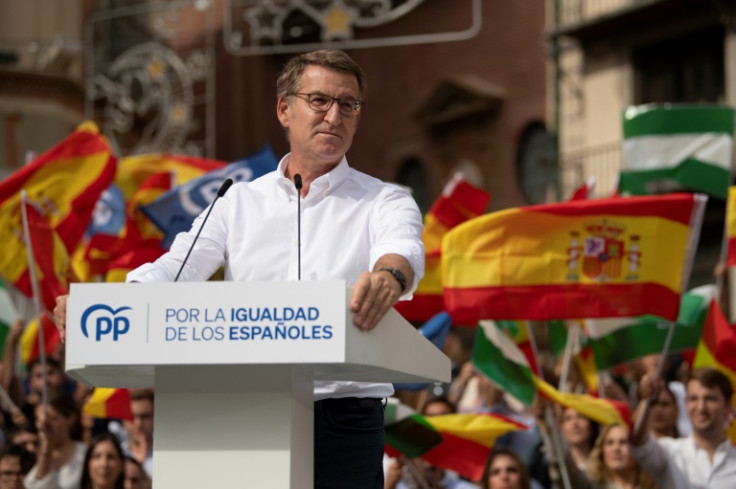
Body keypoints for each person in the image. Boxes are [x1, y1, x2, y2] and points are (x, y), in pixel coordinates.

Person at [54, 48, 424, 489]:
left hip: (343, 419)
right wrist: (102, 306)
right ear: (285, 109)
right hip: (247, 414)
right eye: (320, 101)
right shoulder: (236, 201)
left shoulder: (384, 199)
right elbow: (176, 270)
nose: (334, 115)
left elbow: (400, 247)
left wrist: (388, 277)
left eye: (348, 105)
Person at [631, 367, 736, 488]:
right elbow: (637, 439)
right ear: (685, 402)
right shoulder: (669, 452)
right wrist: (647, 399)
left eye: (710, 399)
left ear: (728, 404)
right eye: (693, 399)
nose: (701, 407)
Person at [24, 393, 86, 489]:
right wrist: (46, 450)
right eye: (38, 419)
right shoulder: (31, 452)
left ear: (70, 418)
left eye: (53, 418)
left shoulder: (85, 453)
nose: (43, 426)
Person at [586, 424, 656, 489]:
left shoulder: (657, 484)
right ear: (601, 450)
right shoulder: (592, 486)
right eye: (610, 442)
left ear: (638, 449)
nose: (616, 448)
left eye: (623, 442)